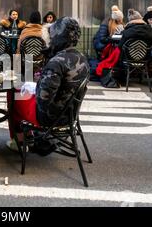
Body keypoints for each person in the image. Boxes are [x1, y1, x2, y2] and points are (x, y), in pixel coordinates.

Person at [7, 17, 90, 154]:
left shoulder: (56, 62)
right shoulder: (81, 58)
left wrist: (34, 85)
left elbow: (43, 100)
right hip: (69, 114)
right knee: (21, 92)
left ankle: (20, 141)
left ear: (57, 37)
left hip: (50, 117)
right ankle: (27, 138)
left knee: (14, 94)